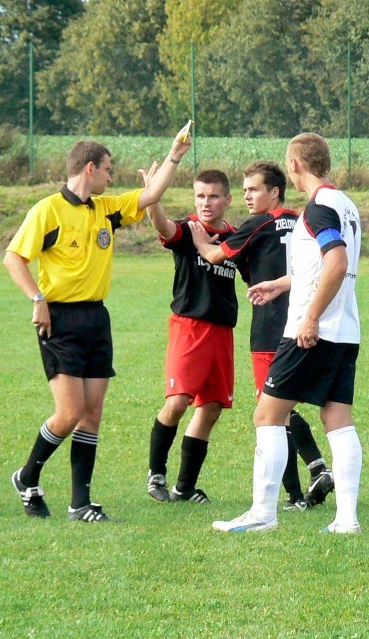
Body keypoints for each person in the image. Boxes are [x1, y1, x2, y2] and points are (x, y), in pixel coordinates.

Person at [4, 121, 193, 522]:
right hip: (60, 320)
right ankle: (28, 474)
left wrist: (175, 154)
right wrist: (37, 298)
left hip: (96, 318)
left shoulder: (106, 209)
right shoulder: (48, 210)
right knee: (69, 412)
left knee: (92, 415)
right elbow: (13, 258)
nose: (112, 175)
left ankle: (80, 504)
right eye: (108, 168)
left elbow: (152, 194)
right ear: (89, 168)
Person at [212, 132, 363, 534]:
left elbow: (336, 262)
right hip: (346, 330)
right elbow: (321, 266)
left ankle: (263, 513)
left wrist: (310, 318)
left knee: (267, 414)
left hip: (311, 331)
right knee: (338, 419)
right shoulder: (346, 205)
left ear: (295, 165)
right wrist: (282, 283)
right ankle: (346, 520)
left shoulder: (316, 208)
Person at [189, 161, 335, 512]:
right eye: (244, 191)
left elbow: (212, 254)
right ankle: (315, 471)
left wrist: (196, 233)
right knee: (283, 406)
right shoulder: (304, 219)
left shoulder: (259, 224)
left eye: (253, 190)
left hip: (271, 329)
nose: (247, 196)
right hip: (307, 320)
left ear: (274, 192)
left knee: (272, 411)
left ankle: (301, 490)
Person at [143, 168, 239, 504]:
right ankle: (156, 474)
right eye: (200, 195)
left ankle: (184, 487)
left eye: (213, 196)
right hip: (189, 327)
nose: (206, 202)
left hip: (222, 332)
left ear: (228, 199)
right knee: (178, 402)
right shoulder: (188, 230)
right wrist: (152, 195)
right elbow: (161, 226)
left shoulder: (234, 236)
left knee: (211, 408)